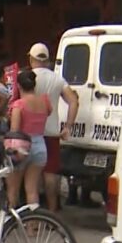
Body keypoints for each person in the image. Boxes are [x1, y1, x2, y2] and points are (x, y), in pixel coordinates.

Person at [27, 42, 79, 212]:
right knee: (51, 176)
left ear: (31, 58)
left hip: (31, 132)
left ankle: (33, 217)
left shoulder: (27, 77)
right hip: (51, 133)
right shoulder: (58, 79)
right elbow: (73, 101)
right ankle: (52, 212)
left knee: (32, 180)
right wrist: (68, 127)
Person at [5, 69, 51, 208]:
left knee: (13, 190)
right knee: (32, 190)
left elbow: (15, 131)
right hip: (40, 145)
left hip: (22, 146)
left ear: (18, 86)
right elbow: (48, 112)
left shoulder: (19, 105)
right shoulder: (45, 101)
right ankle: (33, 226)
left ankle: (9, 222)